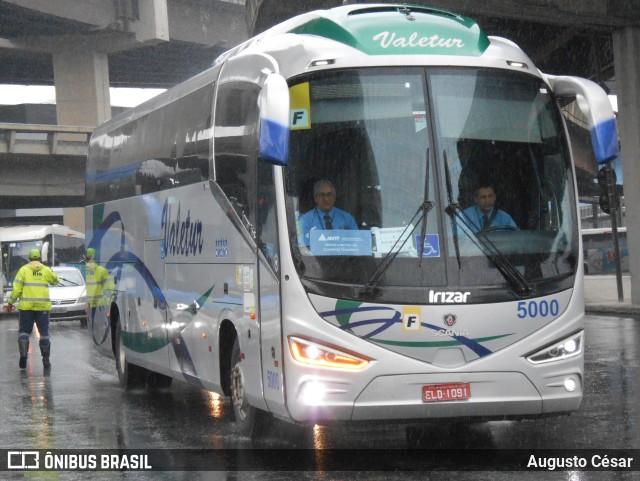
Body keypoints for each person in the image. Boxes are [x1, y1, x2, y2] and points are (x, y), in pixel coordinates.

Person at [3, 248, 59, 370]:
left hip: (26, 308)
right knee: (44, 334)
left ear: (29, 258)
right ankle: (46, 360)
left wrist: (10, 302)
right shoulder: (45, 270)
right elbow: (56, 281)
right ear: (39, 258)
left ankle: (23, 356)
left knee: (24, 332)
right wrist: (51, 272)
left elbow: (17, 289)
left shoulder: (23, 270)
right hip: (42, 308)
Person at [298, 179, 358, 246]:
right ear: (315, 198)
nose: (326, 199)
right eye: (322, 195)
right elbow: (304, 248)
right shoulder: (305, 220)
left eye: (329, 194)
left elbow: (357, 244)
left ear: (334, 197)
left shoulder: (347, 219)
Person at [85, 248, 112, 323]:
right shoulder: (102, 270)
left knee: (92, 323)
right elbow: (109, 286)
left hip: (89, 303)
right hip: (100, 303)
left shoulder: (85, 270)